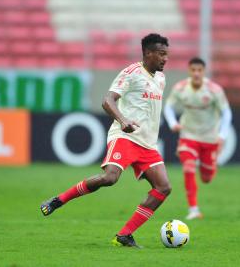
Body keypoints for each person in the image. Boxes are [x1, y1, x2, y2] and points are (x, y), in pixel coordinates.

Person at [40, 33, 171, 248]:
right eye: (161, 54)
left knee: (164, 187)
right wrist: (123, 120)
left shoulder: (161, 78)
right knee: (110, 178)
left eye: (167, 54)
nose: (165, 59)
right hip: (125, 137)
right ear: (148, 53)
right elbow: (107, 100)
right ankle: (59, 200)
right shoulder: (131, 73)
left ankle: (124, 235)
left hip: (147, 144)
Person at [164, 57, 232, 220]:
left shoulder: (214, 90)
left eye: (199, 70)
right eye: (193, 70)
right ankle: (193, 209)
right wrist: (173, 123)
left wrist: (222, 136)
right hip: (188, 135)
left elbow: (227, 112)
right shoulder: (180, 88)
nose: (196, 73)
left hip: (209, 137)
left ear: (204, 71)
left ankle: (209, 165)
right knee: (188, 167)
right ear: (189, 71)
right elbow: (168, 106)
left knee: (207, 178)